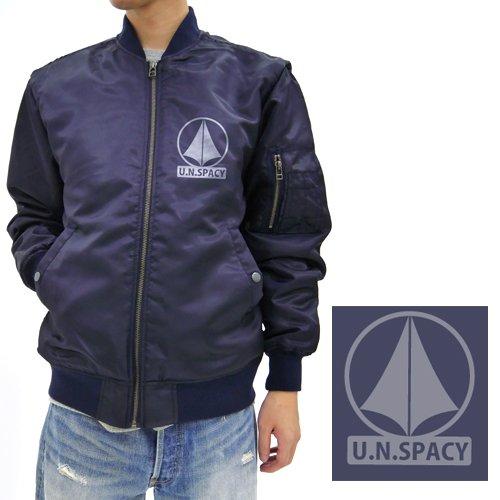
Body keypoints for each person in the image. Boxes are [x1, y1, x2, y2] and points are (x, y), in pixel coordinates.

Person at [6, 0, 331, 498]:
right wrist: (53, 272)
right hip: (85, 421)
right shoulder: (57, 87)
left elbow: (289, 236)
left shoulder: (258, 83)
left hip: (217, 424)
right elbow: (34, 213)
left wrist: (285, 382)